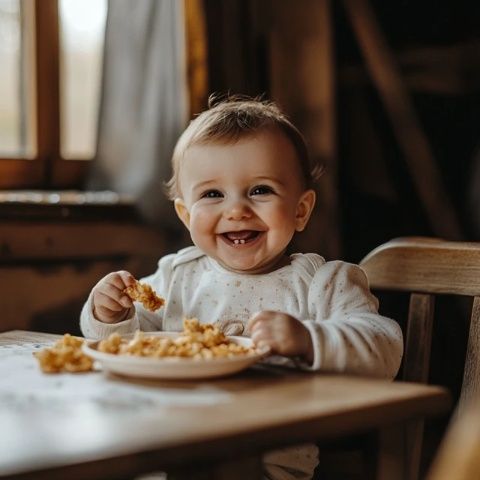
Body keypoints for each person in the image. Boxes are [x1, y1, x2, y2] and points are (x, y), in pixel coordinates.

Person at [80, 97, 403, 480]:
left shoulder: (322, 284)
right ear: (186, 215)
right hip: (164, 444)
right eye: (212, 194)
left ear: (300, 210)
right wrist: (110, 313)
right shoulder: (175, 276)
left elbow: (385, 348)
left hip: (268, 460)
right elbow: (128, 343)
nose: (236, 210)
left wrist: (311, 339)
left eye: (260, 190)